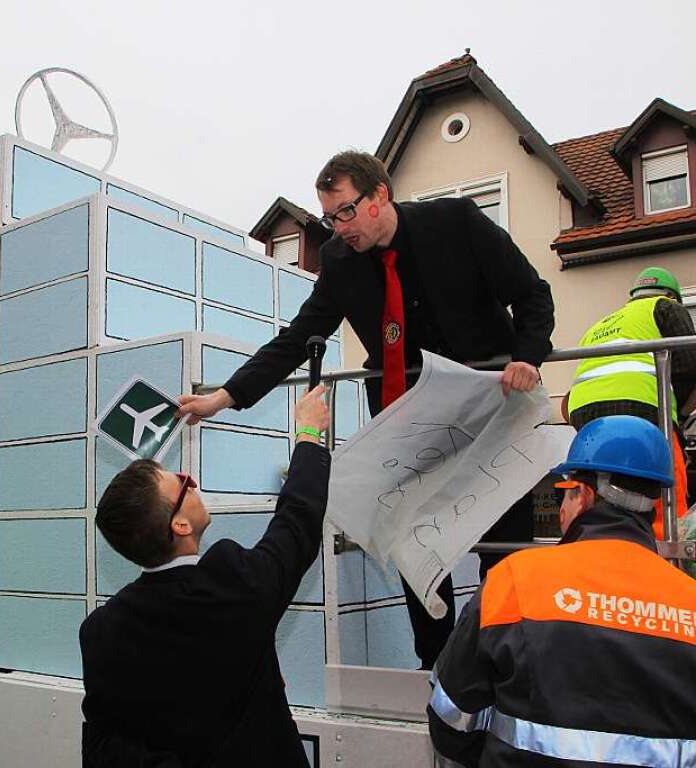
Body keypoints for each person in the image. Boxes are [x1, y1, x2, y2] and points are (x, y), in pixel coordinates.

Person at [178, 150, 555, 669]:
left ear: (380, 195)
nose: (339, 228)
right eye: (330, 218)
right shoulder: (339, 260)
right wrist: (226, 395)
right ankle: (437, 664)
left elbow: (534, 295)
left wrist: (527, 359)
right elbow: (298, 337)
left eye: (347, 212)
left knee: (500, 545)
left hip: (492, 408)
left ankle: (506, 661)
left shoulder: (457, 223)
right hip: (410, 425)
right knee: (407, 536)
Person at [80, 385, 331, 767]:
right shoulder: (230, 585)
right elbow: (298, 522)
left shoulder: (100, 630)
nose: (191, 479)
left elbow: (104, 746)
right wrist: (309, 434)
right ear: (180, 525)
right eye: (181, 483)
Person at [428, 415, 696, 766]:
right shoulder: (689, 602)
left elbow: (449, 717)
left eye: (564, 496)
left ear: (583, 496)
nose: (561, 509)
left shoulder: (514, 580)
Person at [566, 266, 696, 535]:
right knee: (662, 488)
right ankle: (667, 556)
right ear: (671, 295)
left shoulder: (603, 323)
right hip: (641, 406)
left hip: (584, 415)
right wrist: (679, 419)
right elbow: (689, 366)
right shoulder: (665, 307)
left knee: (596, 489)